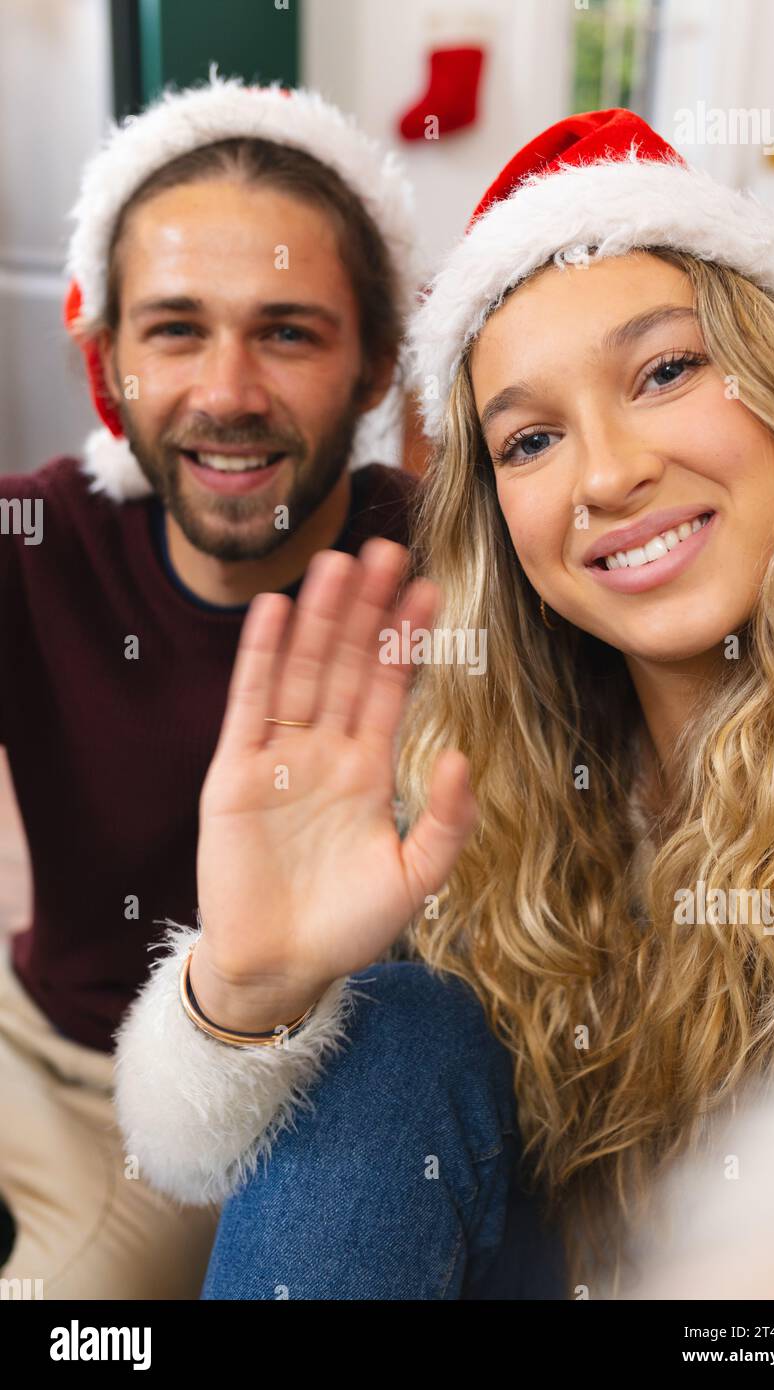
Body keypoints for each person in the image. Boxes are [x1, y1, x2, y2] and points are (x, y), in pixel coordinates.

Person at [114, 109, 774, 1300]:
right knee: (387, 1031)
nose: (609, 473)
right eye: (530, 440)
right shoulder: (487, 780)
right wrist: (250, 994)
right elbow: (221, 1154)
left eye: (666, 370)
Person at [0, 70, 420, 1299]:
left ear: (377, 367)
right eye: (176, 328)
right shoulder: (31, 541)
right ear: (107, 357)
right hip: (44, 1043)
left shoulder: (457, 571)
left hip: (258, 1104)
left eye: (288, 330)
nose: (228, 392)